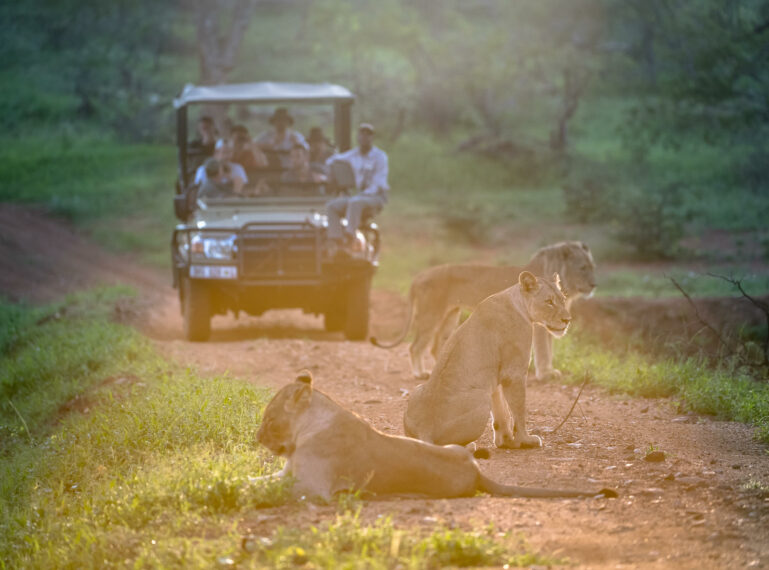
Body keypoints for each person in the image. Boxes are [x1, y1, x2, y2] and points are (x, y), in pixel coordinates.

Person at [325, 123, 389, 251]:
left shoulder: (380, 157)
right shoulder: (353, 155)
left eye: (368, 135)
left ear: (372, 138)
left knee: (355, 202)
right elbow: (332, 160)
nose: (364, 138)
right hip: (359, 196)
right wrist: (331, 172)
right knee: (332, 206)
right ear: (358, 137)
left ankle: (350, 237)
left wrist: (362, 195)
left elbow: (378, 182)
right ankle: (337, 241)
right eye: (362, 134)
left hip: (376, 196)